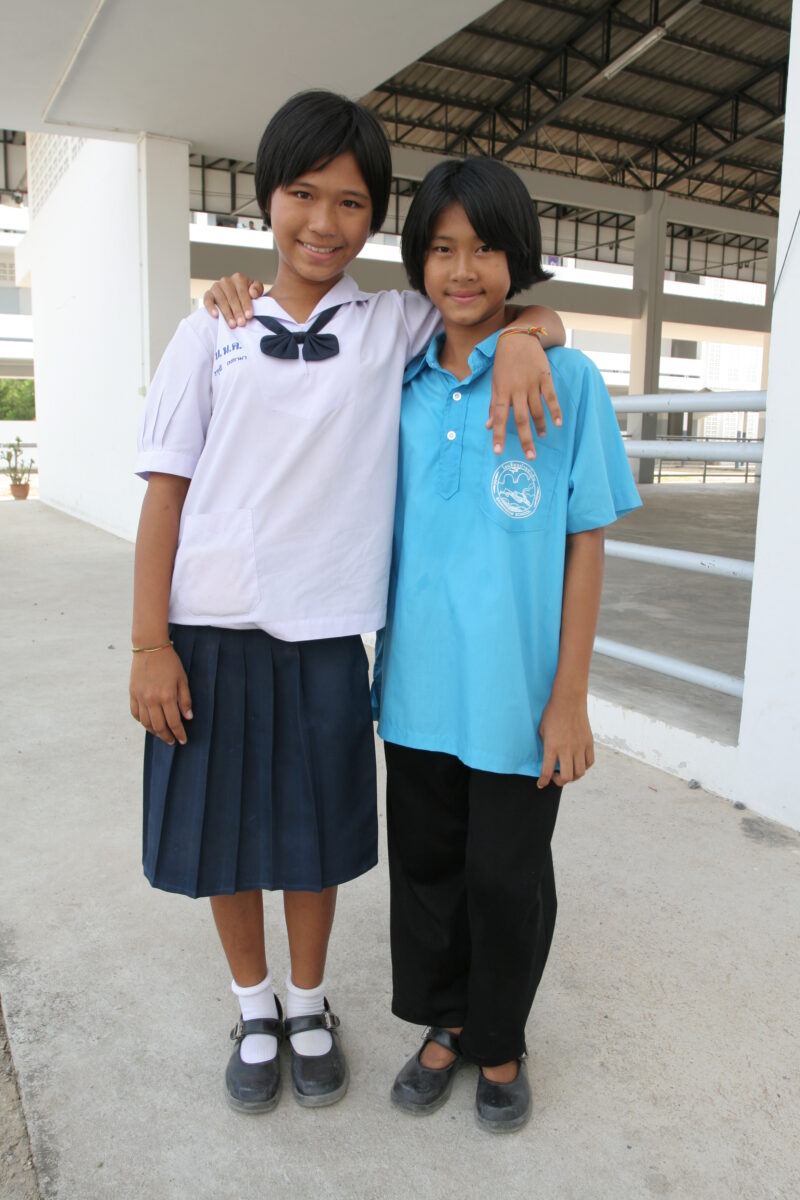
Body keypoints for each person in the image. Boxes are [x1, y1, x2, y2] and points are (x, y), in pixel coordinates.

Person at [130, 90, 565, 1116]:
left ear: (375, 222)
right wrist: (150, 640)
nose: (321, 222)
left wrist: (525, 337)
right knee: (222, 845)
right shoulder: (212, 330)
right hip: (210, 629)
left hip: (328, 639)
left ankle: (312, 1004)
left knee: (310, 837)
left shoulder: (391, 322)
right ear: (266, 199)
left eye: (349, 201)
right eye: (300, 194)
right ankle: (253, 1006)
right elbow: (163, 492)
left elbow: (497, 306)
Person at [371, 157, 642, 1133]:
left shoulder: (563, 377)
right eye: (440, 248)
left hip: (520, 698)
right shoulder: (392, 379)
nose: (462, 268)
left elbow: (583, 541)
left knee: (506, 879)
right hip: (414, 693)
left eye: (484, 246)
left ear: (515, 257)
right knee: (430, 873)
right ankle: (443, 1024)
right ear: (415, 261)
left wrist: (568, 697)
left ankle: (499, 1041)